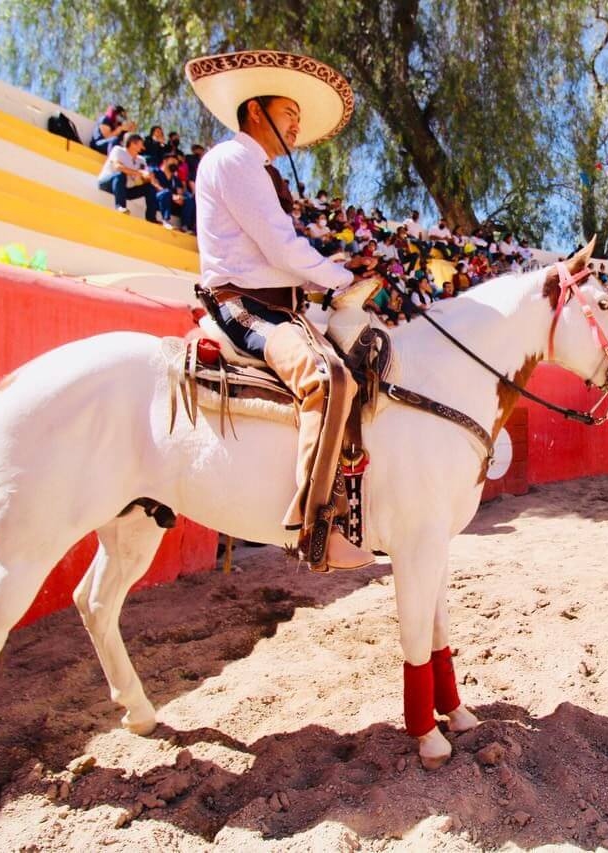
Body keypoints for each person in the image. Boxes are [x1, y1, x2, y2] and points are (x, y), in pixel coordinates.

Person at [185, 48, 377, 572]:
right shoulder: (233, 160)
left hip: (275, 307)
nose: (296, 126)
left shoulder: (257, 169)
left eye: (297, 118)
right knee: (328, 379)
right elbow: (278, 248)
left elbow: (279, 256)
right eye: (288, 114)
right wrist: (341, 277)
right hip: (243, 306)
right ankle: (314, 527)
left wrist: (331, 270)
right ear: (255, 112)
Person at [96, 133, 159, 221]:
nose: (142, 146)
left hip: (125, 189)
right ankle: (120, 207)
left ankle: (151, 218)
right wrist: (138, 173)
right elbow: (117, 167)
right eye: (140, 143)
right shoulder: (118, 150)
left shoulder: (141, 160)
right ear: (132, 143)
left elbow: (144, 176)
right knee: (120, 175)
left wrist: (148, 177)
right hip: (108, 183)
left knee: (150, 188)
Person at [153, 153, 195, 231]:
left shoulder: (175, 179)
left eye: (176, 163)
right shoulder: (155, 171)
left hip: (171, 202)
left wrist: (180, 198)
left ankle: (185, 226)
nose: (175, 164)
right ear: (165, 161)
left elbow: (180, 192)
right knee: (166, 193)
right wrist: (171, 195)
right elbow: (155, 185)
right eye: (172, 161)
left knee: (189, 201)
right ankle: (166, 221)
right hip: (157, 199)